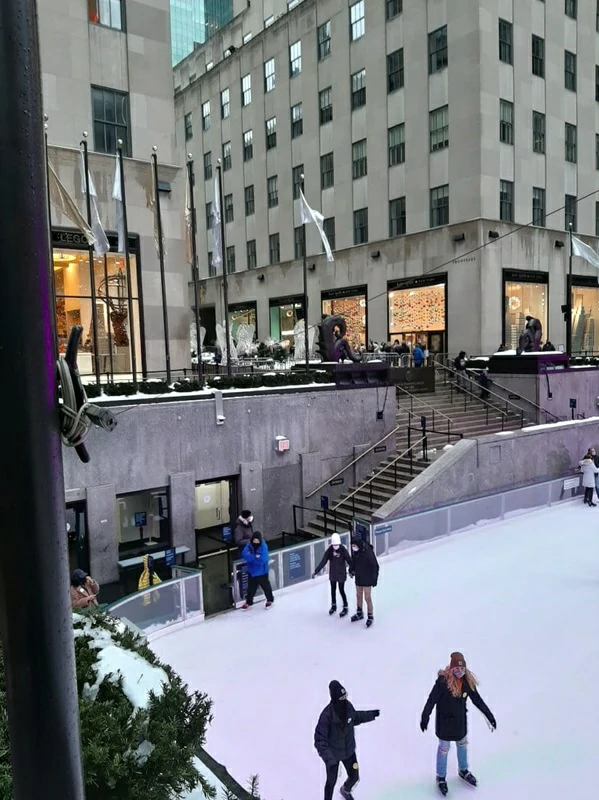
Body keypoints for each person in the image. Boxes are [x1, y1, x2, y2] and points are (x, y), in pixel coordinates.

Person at [420, 652, 496, 796]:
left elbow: (477, 700)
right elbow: (431, 700)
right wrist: (425, 716)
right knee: (444, 748)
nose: (459, 672)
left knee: (462, 744)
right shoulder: (443, 682)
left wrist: (489, 716)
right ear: (451, 669)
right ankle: (441, 777)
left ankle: (463, 770)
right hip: (445, 724)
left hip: (460, 723)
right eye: (456, 669)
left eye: (462, 669)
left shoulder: (467, 683)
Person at [314, 680, 380, 800]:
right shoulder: (326, 716)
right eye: (341, 697)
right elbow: (319, 740)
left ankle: (345, 790)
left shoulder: (348, 707)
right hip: (333, 757)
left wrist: (371, 714)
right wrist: (329, 759)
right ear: (335, 698)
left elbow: (355, 717)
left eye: (345, 696)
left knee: (354, 776)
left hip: (349, 752)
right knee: (330, 783)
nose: (344, 699)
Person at [312, 532, 352, 617]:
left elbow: (349, 561)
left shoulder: (343, 550)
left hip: (341, 574)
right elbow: (323, 561)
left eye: (336, 545)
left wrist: (353, 570)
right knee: (332, 590)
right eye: (334, 545)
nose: (335, 547)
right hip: (333, 573)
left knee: (341, 590)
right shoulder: (330, 550)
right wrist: (316, 571)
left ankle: (345, 606)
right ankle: (333, 605)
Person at [349, 536, 379, 628]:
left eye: (354, 546)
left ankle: (370, 615)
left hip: (367, 578)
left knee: (367, 597)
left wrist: (374, 579)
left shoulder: (368, 552)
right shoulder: (356, 552)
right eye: (352, 546)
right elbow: (353, 562)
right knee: (358, 596)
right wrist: (351, 570)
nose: (353, 548)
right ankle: (359, 612)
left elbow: (375, 566)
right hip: (359, 577)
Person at [241, 531, 274, 608]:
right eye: (254, 540)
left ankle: (270, 600)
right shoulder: (249, 545)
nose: (256, 542)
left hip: (262, 572)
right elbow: (245, 554)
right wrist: (255, 557)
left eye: (257, 540)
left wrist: (252, 559)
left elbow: (263, 559)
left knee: (266, 587)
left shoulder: (263, 546)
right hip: (252, 571)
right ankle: (249, 602)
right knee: (250, 589)